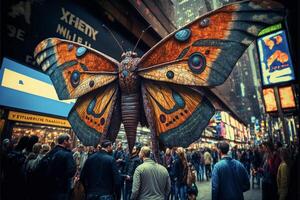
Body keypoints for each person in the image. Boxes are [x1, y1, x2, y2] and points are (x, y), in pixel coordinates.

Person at [47, 133, 77, 200]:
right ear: (65, 141)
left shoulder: (51, 152)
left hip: (50, 186)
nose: (71, 142)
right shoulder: (67, 154)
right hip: (62, 187)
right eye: (70, 140)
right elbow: (71, 171)